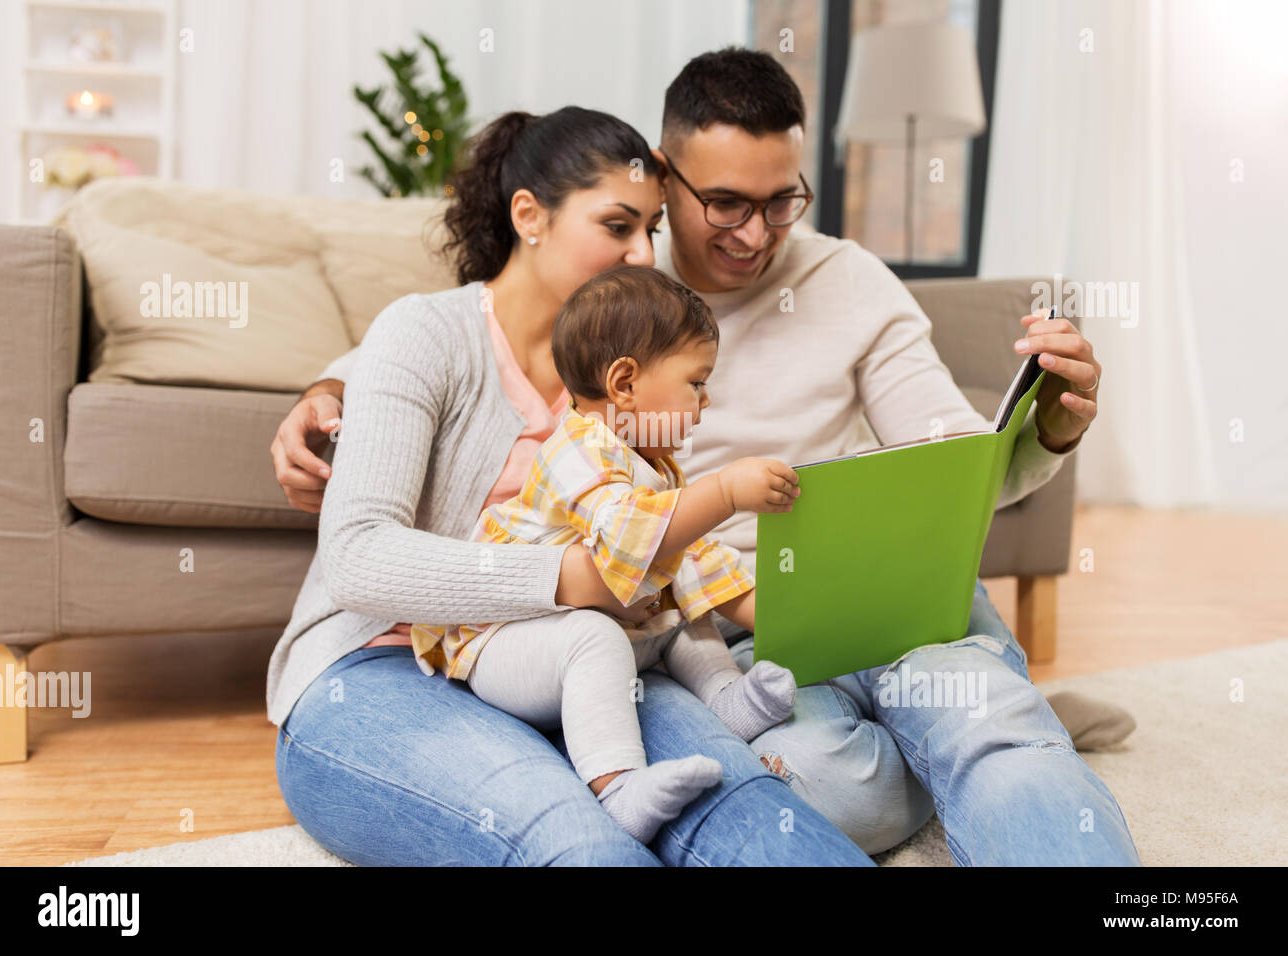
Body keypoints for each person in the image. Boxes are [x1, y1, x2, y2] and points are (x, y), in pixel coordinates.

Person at [274, 49, 1139, 865]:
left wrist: (1046, 430)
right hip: (677, 628)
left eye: (780, 201)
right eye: (723, 203)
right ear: (664, 171)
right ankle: (970, 735)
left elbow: (955, 456)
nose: (753, 233)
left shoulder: (827, 286)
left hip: (819, 599)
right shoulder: (598, 326)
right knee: (807, 795)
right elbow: (437, 353)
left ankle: (989, 734)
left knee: (961, 733)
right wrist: (327, 392)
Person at [265, 104, 874, 866]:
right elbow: (357, 558)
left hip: (590, 653)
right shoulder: (427, 334)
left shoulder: (631, 388)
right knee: (573, 835)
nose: (644, 254)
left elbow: (670, 533)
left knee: (739, 802)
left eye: (651, 229)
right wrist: (574, 579)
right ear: (530, 215)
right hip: (379, 663)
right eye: (618, 227)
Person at [409, 265, 803, 845]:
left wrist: (794, 623)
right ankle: (618, 787)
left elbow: (699, 566)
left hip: (579, 637)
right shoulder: (575, 450)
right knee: (595, 635)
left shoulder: (655, 468)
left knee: (682, 615)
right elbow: (628, 541)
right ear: (624, 383)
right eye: (696, 382)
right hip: (505, 643)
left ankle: (726, 700)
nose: (706, 400)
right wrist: (724, 492)